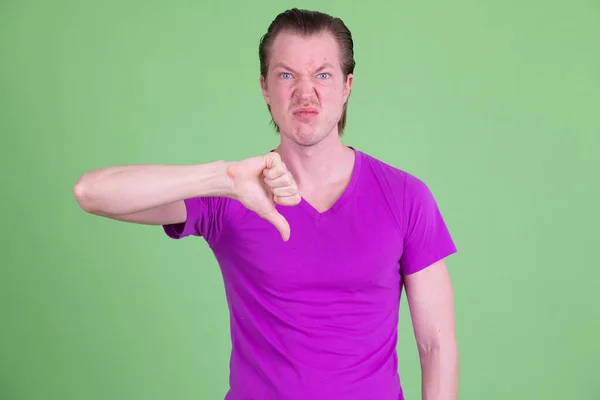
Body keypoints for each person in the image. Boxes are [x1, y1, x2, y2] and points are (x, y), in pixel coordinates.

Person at [73, 8, 459, 400]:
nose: (305, 93)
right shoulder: (234, 192)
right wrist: (221, 178)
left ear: (347, 86)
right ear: (264, 88)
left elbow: (436, 346)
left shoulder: (406, 197)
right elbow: (92, 193)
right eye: (286, 75)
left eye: (323, 75)